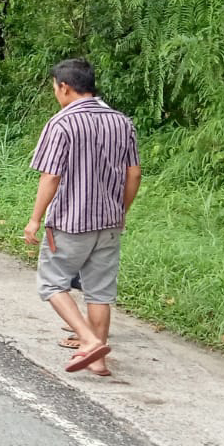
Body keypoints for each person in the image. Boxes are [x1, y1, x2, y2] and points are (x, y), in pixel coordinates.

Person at [24, 58, 141, 377]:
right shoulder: (122, 122)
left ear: (64, 87)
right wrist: (121, 211)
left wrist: (35, 219)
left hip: (69, 222)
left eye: (55, 88)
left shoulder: (61, 124)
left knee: (51, 283)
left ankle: (88, 340)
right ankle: (99, 361)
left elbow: (50, 177)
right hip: (109, 222)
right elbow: (134, 174)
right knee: (100, 291)